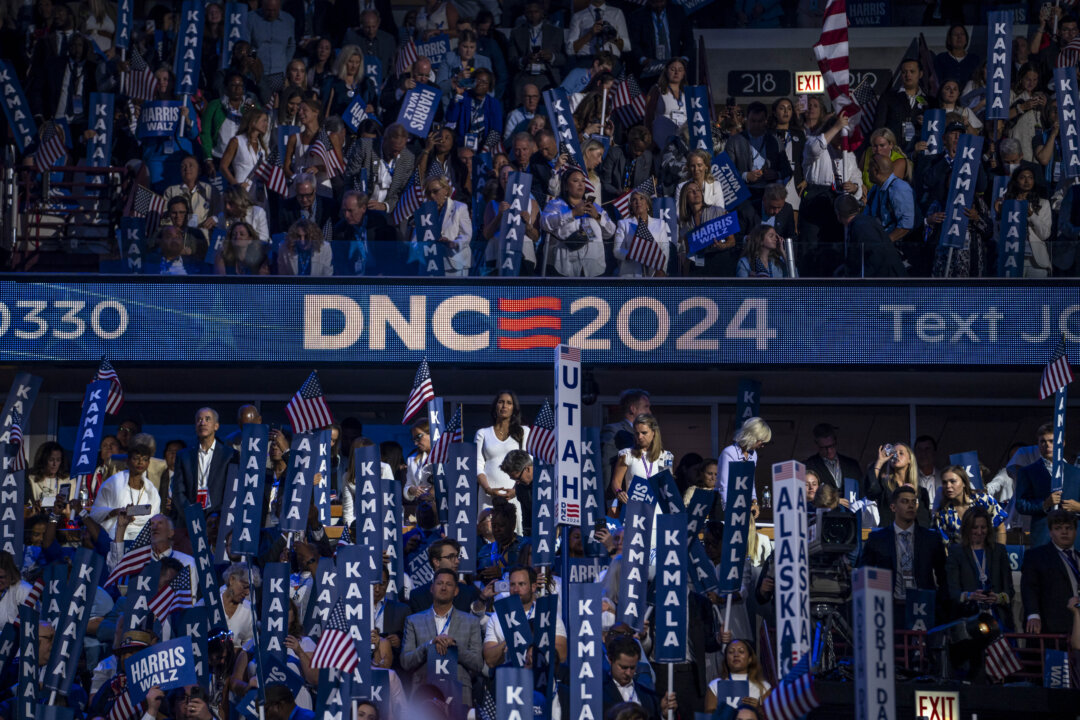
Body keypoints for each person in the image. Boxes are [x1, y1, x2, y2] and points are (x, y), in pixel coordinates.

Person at [859, 485, 947, 621]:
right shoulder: (877, 539)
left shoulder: (931, 538)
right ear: (893, 507)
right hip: (888, 608)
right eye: (905, 501)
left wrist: (940, 604)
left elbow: (943, 576)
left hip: (924, 606)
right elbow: (864, 573)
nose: (911, 506)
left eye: (913, 502)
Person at [401, 568, 484, 705]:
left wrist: (455, 647)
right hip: (423, 691)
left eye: (449, 584)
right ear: (432, 588)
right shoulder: (413, 621)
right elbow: (405, 662)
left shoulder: (471, 622)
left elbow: (478, 664)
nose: (444, 588)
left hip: (459, 692)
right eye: (439, 583)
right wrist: (429, 645)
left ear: (456, 591)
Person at [482, 565, 568, 668]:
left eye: (521, 584)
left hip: (540, 674)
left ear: (533, 587)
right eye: (512, 584)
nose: (516, 589)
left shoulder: (547, 614)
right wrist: (510, 642)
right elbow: (489, 660)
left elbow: (562, 654)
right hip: (509, 674)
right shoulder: (497, 617)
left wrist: (532, 648)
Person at [540, 167, 614, 277]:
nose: (580, 184)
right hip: (566, 268)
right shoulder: (556, 205)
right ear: (566, 186)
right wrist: (573, 213)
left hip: (594, 269)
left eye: (583, 181)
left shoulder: (595, 207)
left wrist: (597, 216)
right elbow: (545, 223)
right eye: (575, 181)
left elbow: (610, 232)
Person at [945, 506, 1014, 625]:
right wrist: (970, 596)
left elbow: (1009, 590)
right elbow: (952, 592)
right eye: (975, 527)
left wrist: (998, 598)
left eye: (983, 527)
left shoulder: (999, 551)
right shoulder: (956, 552)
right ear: (967, 528)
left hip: (997, 616)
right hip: (968, 616)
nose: (979, 532)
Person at [1015, 422, 1077, 547]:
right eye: (1042, 441)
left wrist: (1078, 507)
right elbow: (1020, 504)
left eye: (1052, 441)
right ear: (1038, 444)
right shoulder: (1028, 472)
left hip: (1074, 540)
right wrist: (1044, 504)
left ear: (1062, 443)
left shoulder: (1076, 473)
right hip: (1043, 538)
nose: (1047, 445)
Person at [1022, 509, 1080, 635]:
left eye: (1069, 528)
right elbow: (1029, 588)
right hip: (1052, 627)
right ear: (1050, 532)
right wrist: (1033, 614)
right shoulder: (1036, 556)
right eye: (1058, 528)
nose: (1064, 532)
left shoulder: (1078, 557)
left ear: (1075, 531)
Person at [90, 443, 162, 541]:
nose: (140, 462)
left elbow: (155, 518)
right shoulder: (113, 484)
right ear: (128, 461)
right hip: (115, 535)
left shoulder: (151, 491)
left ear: (148, 463)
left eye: (145, 459)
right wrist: (116, 511)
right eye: (136, 458)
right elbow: (95, 513)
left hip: (144, 538)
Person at [726, 101, 793, 206]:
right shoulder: (735, 141)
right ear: (746, 120)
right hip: (744, 193)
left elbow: (787, 169)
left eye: (760, 121)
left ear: (766, 120)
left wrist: (776, 174)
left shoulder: (775, 141)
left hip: (770, 193)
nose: (756, 125)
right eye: (753, 121)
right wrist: (746, 175)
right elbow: (727, 170)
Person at [172, 407, 233, 516]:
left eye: (207, 419)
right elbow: (178, 491)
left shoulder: (229, 455)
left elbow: (231, 491)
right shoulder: (183, 455)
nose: (202, 423)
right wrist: (190, 514)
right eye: (199, 420)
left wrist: (219, 515)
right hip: (190, 516)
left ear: (216, 426)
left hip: (218, 518)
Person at [834, 193, 908, 278]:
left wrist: (860, 278)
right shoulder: (865, 222)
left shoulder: (860, 227)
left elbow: (876, 255)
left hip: (889, 280)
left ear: (838, 215)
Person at [411, 176, 472, 277]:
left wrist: (453, 243)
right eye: (428, 193)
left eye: (435, 191)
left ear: (446, 191)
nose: (431, 195)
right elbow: (414, 242)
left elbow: (466, 236)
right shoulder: (424, 212)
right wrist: (421, 246)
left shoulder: (459, 208)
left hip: (453, 264)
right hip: (430, 265)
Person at [602, 635, 673, 718]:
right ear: (610, 660)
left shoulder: (649, 696)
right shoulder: (599, 693)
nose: (628, 673)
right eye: (623, 667)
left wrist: (664, 715)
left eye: (632, 668)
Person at [935, 465, 1008, 546]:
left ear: (964, 483)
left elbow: (1000, 529)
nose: (948, 486)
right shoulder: (943, 513)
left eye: (953, 481)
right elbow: (944, 545)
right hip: (959, 553)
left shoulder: (983, 500)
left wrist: (1000, 551)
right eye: (944, 482)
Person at [610, 413, 674, 505]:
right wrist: (619, 492)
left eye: (644, 433)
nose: (639, 437)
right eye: (637, 433)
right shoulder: (627, 454)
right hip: (634, 508)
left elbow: (669, 486)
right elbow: (616, 481)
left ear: (654, 432)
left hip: (657, 508)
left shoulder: (666, 456)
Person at [865, 441, 932, 527]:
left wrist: (914, 500)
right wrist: (880, 462)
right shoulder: (885, 485)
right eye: (894, 453)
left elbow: (924, 523)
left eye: (901, 453)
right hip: (889, 533)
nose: (896, 456)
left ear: (909, 459)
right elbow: (871, 492)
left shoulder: (921, 492)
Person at [507, 4, 565, 100]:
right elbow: (511, 60)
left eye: (536, 12)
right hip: (524, 75)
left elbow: (564, 59)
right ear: (525, 14)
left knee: (551, 105)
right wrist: (524, 60)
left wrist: (551, 57)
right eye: (529, 12)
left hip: (547, 75)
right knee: (519, 99)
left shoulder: (556, 32)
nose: (533, 15)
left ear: (542, 13)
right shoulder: (516, 33)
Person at [876, 58, 934, 151]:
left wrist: (928, 123)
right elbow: (878, 128)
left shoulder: (931, 101)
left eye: (912, 71)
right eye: (904, 72)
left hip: (921, 152)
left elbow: (936, 130)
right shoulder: (888, 97)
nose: (908, 75)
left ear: (920, 74)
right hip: (894, 151)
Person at [613, 191, 672, 277]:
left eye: (641, 198)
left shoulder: (660, 224)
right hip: (631, 276)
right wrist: (633, 254)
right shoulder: (623, 224)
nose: (638, 202)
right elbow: (617, 250)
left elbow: (665, 249)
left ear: (647, 204)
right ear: (631, 206)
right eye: (634, 199)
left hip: (653, 274)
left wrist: (661, 269)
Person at [717, 417, 770, 507]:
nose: (762, 446)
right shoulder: (729, 452)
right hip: (725, 502)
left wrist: (754, 502)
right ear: (753, 437)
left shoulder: (753, 454)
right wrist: (728, 508)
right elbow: (724, 485)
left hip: (742, 501)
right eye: (762, 442)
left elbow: (750, 481)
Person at [705, 639, 771, 709]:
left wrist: (758, 708)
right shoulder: (715, 685)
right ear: (726, 659)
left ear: (750, 659)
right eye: (731, 652)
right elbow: (709, 714)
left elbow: (770, 714)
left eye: (741, 651)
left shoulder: (763, 687)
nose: (736, 655)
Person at [803, 422, 862, 491]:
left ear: (836, 441)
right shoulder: (809, 466)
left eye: (831, 446)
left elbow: (862, 492)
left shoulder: (852, 465)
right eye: (824, 448)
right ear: (817, 445)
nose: (829, 451)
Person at [26, 440, 71, 508]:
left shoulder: (68, 480)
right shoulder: (32, 479)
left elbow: (70, 507)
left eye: (58, 460)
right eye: (51, 460)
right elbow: (28, 506)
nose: (54, 464)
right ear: (43, 460)